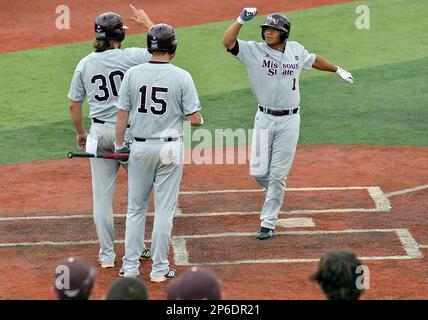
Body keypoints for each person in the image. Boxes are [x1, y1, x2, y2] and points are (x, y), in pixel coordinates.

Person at [222, 9, 354, 240]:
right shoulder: (253, 51)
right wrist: (241, 20)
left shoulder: (295, 50)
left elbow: (313, 60)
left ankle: (268, 222)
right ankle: (273, 188)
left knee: (278, 175)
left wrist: (337, 69)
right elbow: (227, 41)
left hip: (290, 121)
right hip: (264, 118)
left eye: (273, 30)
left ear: (284, 33)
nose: (268, 33)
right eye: (266, 29)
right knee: (258, 171)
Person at [115, 23, 203, 281]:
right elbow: (195, 119)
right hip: (169, 148)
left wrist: (120, 146)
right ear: (173, 48)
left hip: (140, 147)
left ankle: (130, 267)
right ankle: (159, 269)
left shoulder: (132, 74)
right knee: (164, 210)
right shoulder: (182, 76)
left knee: (135, 209)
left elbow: (121, 116)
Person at [67, 6, 154, 268]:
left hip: (97, 132)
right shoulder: (133, 57)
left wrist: (81, 133)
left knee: (101, 198)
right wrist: (147, 23)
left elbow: (74, 104)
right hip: (128, 133)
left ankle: (106, 256)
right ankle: (136, 248)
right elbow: (163, 46)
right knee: (139, 193)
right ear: (120, 35)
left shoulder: (85, 63)